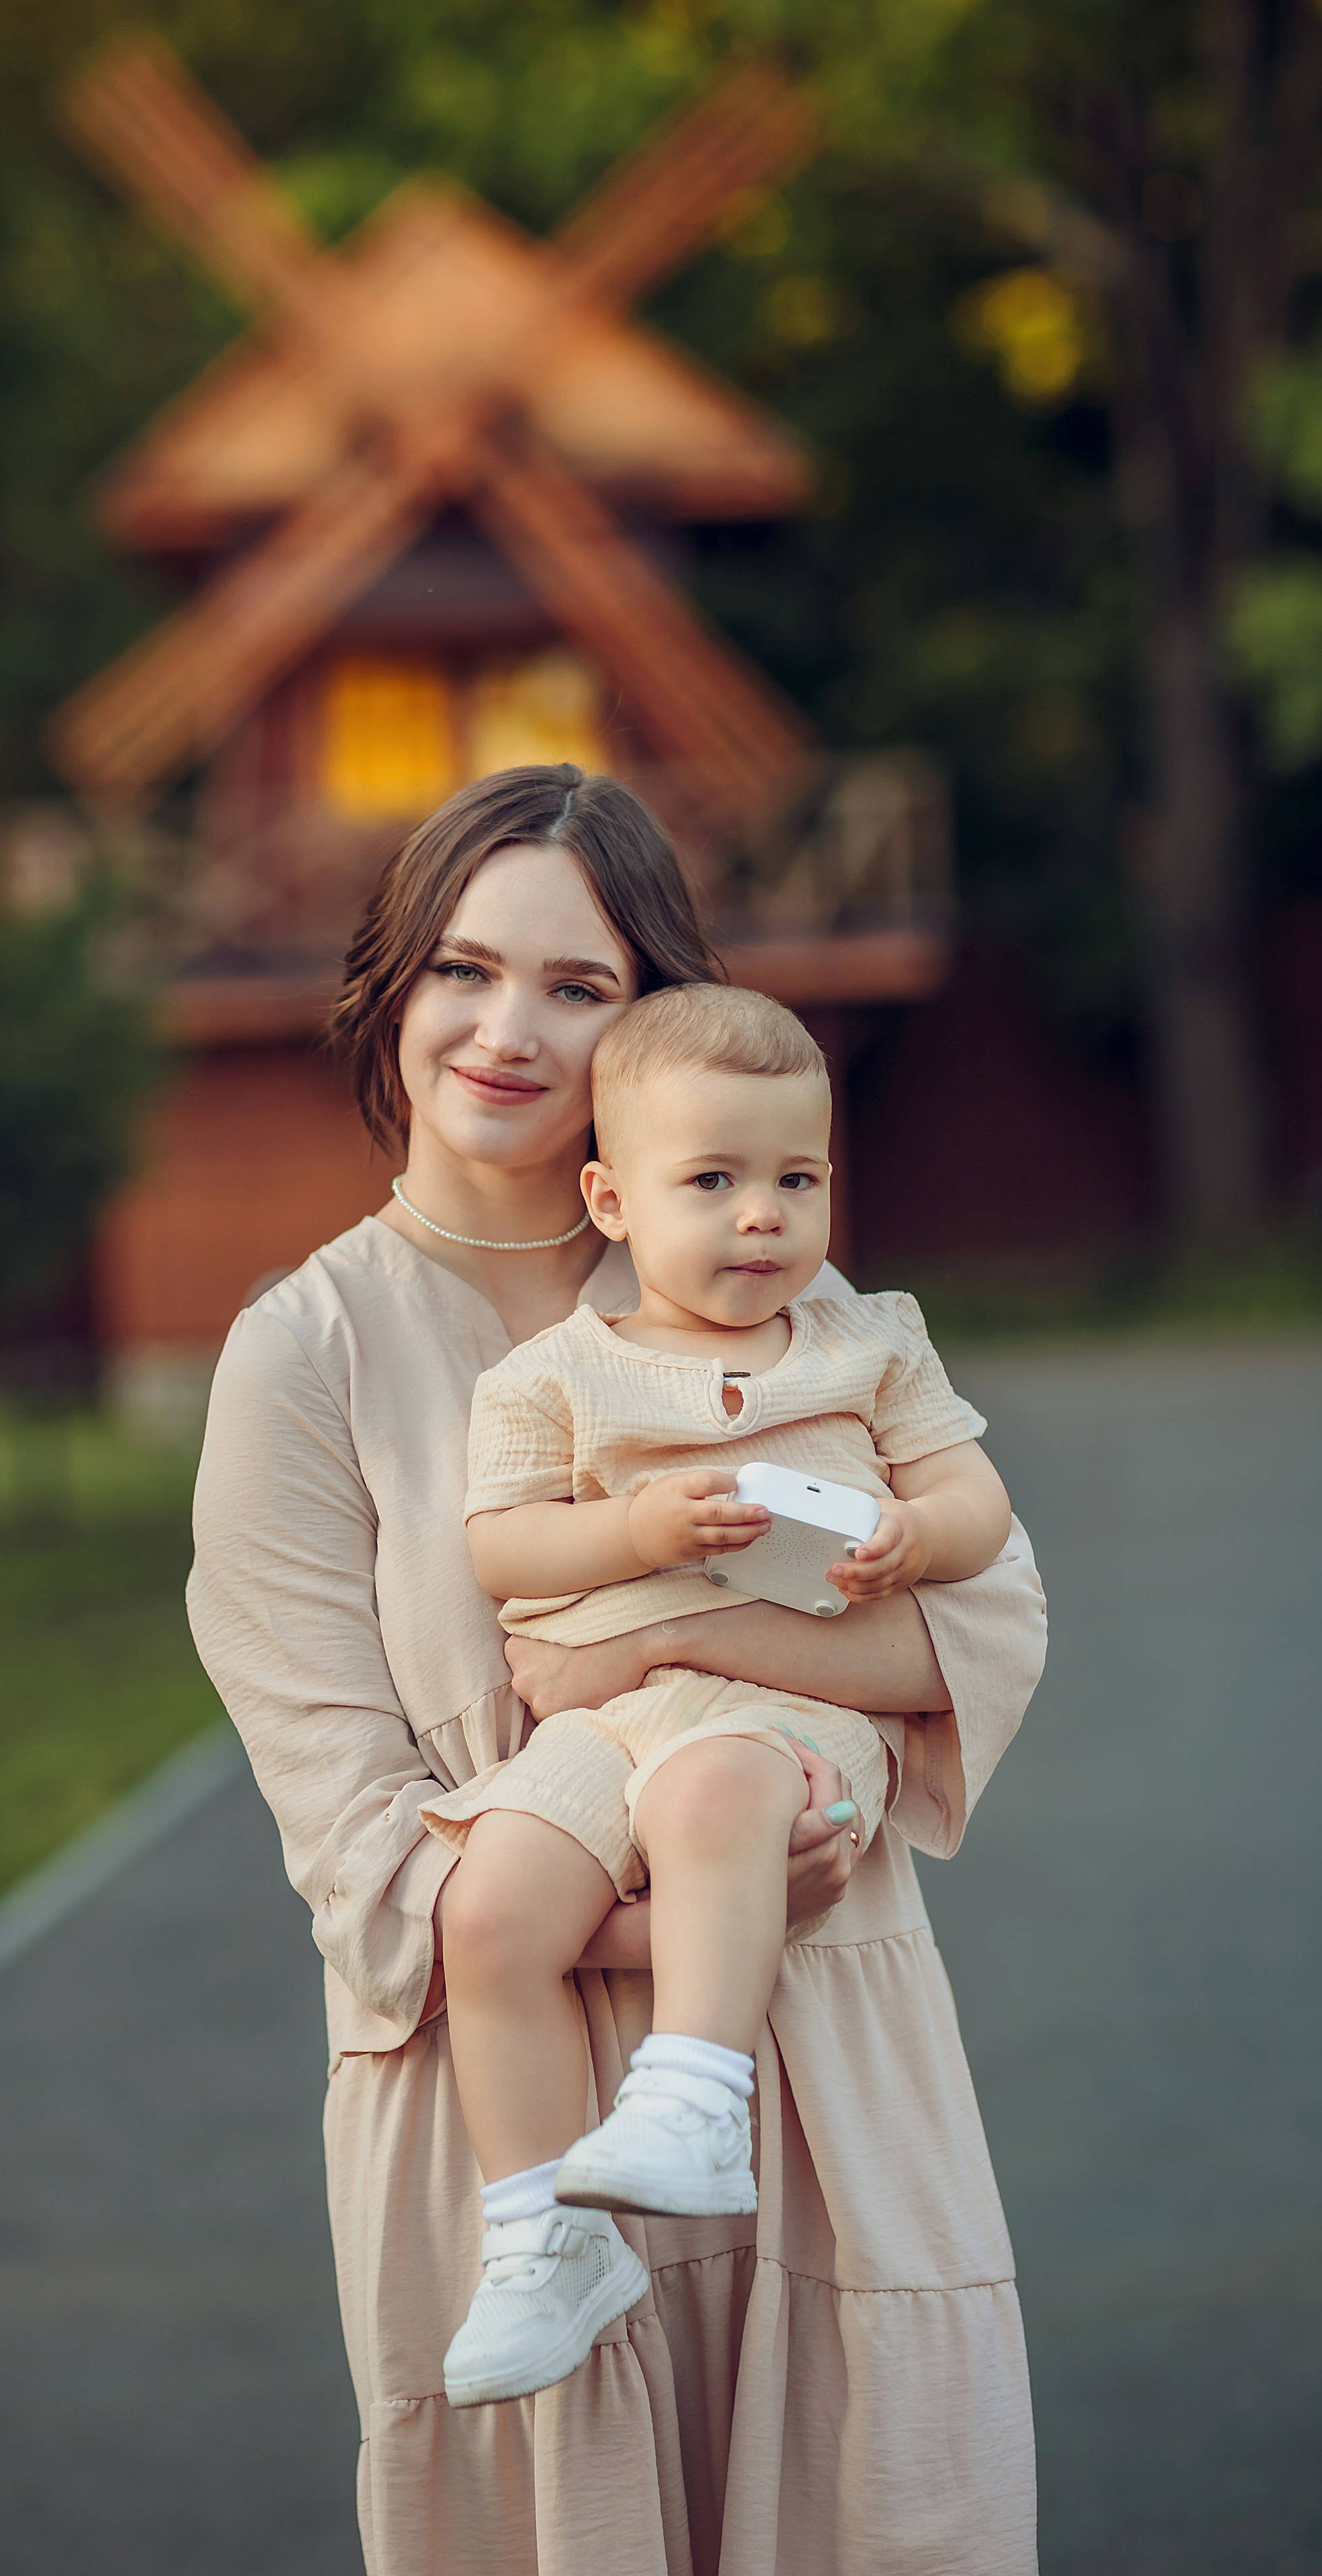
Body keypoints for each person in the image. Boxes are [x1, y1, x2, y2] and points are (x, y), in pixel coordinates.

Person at [187, 764, 1045, 2575]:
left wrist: (671, 1647)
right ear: (390, 987)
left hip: (817, 2047)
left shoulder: (758, 1282)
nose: (507, 1029)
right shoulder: (302, 1357)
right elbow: (357, 1843)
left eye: (579, 988)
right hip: (511, 2116)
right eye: (462, 969)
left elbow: (970, 1629)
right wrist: (677, 1920)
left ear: (650, 1024)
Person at [422, 981, 1013, 2407]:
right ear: (610, 1200)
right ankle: (539, 2245)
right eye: (714, 1182)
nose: (762, 1216)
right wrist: (632, 1534)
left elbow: (974, 1500)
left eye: (795, 1179)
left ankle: (695, 2093)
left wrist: (914, 1537)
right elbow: (500, 1547)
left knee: (711, 1794)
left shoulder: (868, 1341)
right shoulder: (548, 1380)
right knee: (484, 1909)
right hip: (601, 1721)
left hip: (791, 1721)